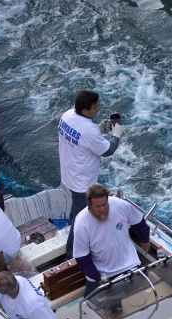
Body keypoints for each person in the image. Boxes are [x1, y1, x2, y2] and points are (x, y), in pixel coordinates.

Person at [58, 90, 123, 256]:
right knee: (79, 224)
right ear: (85, 111)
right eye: (95, 108)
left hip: (68, 174)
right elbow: (108, 150)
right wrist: (116, 136)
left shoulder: (67, 115)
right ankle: (71, 256)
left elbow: (82, 137)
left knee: (76, 206)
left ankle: (71, 220)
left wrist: (98, 129)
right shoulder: (89, 130)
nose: (98, 110)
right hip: (82, 183)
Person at [72, 184, 150, 298]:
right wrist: (98, 278)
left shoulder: (120, 205)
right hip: (102, 275)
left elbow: (138, 222)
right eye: (97, 206)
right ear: (89, 205)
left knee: (142, 299)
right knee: (93, 307)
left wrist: (145, 239)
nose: (102, 209)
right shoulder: (81, 223)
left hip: (130, 264)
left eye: (104, 204)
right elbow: (82, 258)